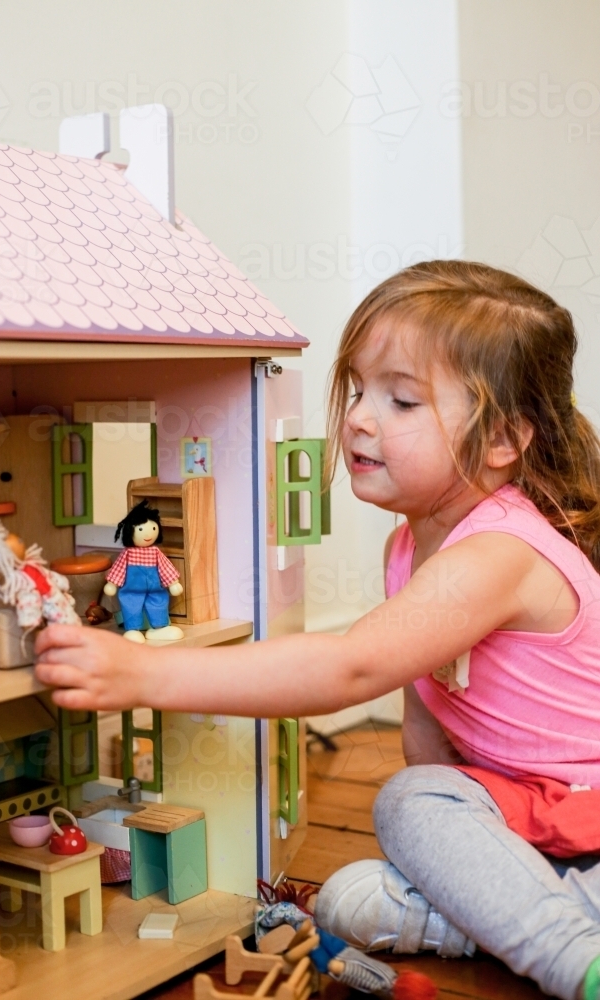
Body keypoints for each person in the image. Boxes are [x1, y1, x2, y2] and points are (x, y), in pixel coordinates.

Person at [35, 261, 600, 1000]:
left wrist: (141, 674)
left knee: (407, 805)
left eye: (401, 400)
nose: (359, 417)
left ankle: (572, 958)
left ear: (500, 439)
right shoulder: (409, 543)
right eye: (358, 389)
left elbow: (352, 669)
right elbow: (427, 706)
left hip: (582, 812)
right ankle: (521, 909)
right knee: (352, 889)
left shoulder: (496, 554)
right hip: (524, 820)